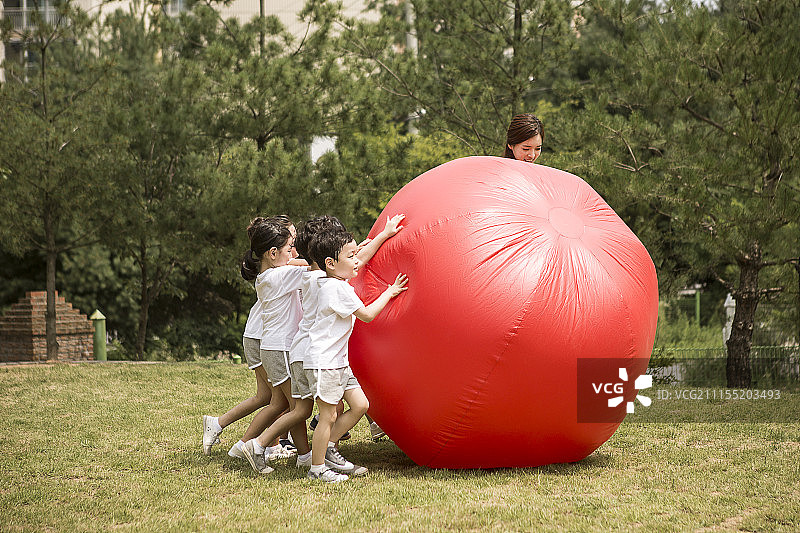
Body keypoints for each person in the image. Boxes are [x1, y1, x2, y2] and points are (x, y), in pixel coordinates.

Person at [240, 214, 406, 476]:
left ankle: (318, 451)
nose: (354, 260)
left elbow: (352, 257)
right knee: (319, 412)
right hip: (315, 355)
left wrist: (368, 242)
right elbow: (359, 275)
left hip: (318, 354)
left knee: (331, 408)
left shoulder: (318, 275)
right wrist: (383, 238)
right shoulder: (323, 282)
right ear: (327, 260)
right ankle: (311, 459)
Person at [304, 227, 408, 482]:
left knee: (361, 405)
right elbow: (367, 315)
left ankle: (328, 448)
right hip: (324, 362)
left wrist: (383, 235)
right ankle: (316, 469)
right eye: (351, 257)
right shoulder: (336, 289)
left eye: (355, 254)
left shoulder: (329, 280)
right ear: (330, 263)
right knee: (327, 415)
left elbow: (357, 259)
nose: (357, 261)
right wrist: (390, 291)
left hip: (338, 362)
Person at [202, 216, 298, 457]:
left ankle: (230, 431)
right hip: (260, 338)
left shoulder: (276, 269)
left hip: (260, 337)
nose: (295, 248)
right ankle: (247, 443)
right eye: (292, 242)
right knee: (279, 399)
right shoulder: (278, 273)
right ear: (274, 250)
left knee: (270, 397)